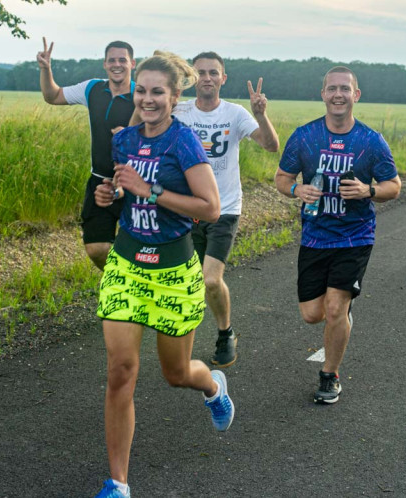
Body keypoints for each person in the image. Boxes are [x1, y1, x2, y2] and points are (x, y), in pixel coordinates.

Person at [91, 51, 233, 498]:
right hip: (127, 265)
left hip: (173, 271)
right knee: (121, 370)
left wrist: (150, 189)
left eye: (158, 92)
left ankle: (211, 384)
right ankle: (118, 484)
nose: (148, 99)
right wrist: (108, 194)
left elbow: (210, 207)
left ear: (174, 97)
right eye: (142, 90)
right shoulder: (124, 141)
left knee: (176, 375)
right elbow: (121, 192)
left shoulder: (184, 142)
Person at [274, 67, 401, 404]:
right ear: (323, 94)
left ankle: (329, 374)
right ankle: (342, 316)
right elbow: (282, 177)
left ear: (356, 95)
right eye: (332, 88)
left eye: (345, 88)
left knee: (333, 308)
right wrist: (296, 188)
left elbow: (394, 186)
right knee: (312, 314)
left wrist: (367, 190)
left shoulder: (371, 141)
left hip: (355, 236)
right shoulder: (304, 136)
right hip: (314, 236)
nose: (338, 94)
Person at [173, 52, 279, 368]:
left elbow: (271, 145)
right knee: (187, 279)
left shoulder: (235, 113)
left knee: (209, 279)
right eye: (201, 72)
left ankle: (224, 332)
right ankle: (181, 338)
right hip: (185, 208)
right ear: (193, 77)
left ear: (223, 78)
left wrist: (261, 114)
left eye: (213, 72)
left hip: (223, 209)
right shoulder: (179, 111)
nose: (207, 77)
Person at [38, 39, 136, 271]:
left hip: (136, 181)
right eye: (112, 60)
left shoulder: (142, 93)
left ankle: (135, 287)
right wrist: (45, 69)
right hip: (100, 180)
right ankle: (125, 279)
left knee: (138, 247)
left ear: (133, 63)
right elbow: (53, 96)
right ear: (104, 64)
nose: (117, 64)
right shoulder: (92, 88)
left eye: (122, 60)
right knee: (96, 248)